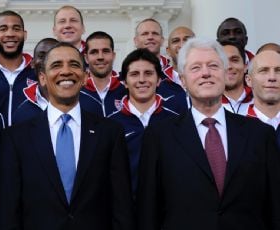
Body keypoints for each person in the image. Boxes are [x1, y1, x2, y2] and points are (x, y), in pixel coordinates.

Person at [136, 37, 280, 230]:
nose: (206, 73)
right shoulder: (159, 137)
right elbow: (148, 210)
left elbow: (275, 208)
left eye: (213, 66)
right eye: (196, 68)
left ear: (224, 73)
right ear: (184, 80)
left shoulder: (260, 134)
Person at [0, 42, 135, 230]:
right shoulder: (16, 138)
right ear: (42, 78)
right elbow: (7, 210)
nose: (66, 71)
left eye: (74, 65)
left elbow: (122, 206)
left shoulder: (110, 133)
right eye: (56, 65)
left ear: (85, 77)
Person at [108, 48, 177, 194]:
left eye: (148, 73)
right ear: (125, 82)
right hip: (127, 210)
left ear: (158, 80)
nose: (141, 80)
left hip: (168, 211)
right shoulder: (110, 125)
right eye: (134, 74)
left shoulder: (177, 122)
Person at [0, 10, 36, 126]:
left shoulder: (38, 74)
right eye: (3, 29)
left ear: (25, 34)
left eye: (16, 29)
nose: (10, 34)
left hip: (28, 143)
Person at [80, 31, 126, 117]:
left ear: (113, 55)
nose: (100, 57)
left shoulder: (128, 90)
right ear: (86, 58)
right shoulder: (76, 92)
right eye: (94, 52)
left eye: (105, 51)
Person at [245, 50, 280, 147]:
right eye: (264, 71)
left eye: (279, 71)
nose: (272, 77)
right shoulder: (234, 129)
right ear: (249, 80)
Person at [157, 26, 195, 113]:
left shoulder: (208, 77)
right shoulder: (158, 81)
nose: (182, 45)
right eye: (176, 41)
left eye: (187, 40)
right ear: (168, 51)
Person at [220, 40, 252, 115]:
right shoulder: (205, 103)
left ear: (245, 67)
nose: (229, 66)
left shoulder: (259, 98)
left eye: (234, 60)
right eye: (222, 61)